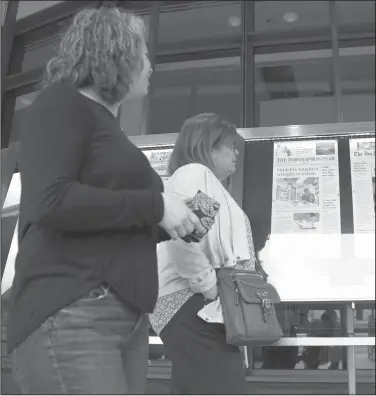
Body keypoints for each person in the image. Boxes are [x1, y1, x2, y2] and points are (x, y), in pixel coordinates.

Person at [6, 7, 203, 395]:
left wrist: (181, 219)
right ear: (115, 52)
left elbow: (119, 218)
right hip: (73, 309)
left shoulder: (111, 133)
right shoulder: (59, 104)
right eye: (143, 53)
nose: (150, 66)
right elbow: (51, 200)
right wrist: (158, 207)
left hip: (124, 318)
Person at [149, 113, 257, 394]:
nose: (236, 152)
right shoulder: (196, 175)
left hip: (196, 306)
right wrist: (208, 287)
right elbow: (183, 234)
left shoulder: (207, 182)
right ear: (207, 146)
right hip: (193, 304)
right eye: (229, 145)